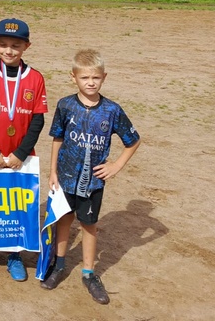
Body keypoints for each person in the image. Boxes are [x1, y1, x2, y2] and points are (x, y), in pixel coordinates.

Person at [40, 49, 141, 304]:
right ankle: (59, 264)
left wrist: (116, 166)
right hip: (64, 178)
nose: (91, 82)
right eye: (85, 78)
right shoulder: (65, 105)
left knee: (88, 225)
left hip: (93, 182)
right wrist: (52, 171)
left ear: (104, 77)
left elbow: (133, 140)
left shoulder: (111, 110)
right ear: (73, 78)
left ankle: (88, 273)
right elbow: (58, 139)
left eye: (95, 77)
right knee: (63, 221)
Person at [0, 18, 48, 281]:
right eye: (3, 45)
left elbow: (38, 120)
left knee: (18, 206)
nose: (9, 51)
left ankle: (15, 254)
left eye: (15, 45)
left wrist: (21, 154)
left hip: (21, 158)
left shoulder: (35, 79)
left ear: (26, 46)